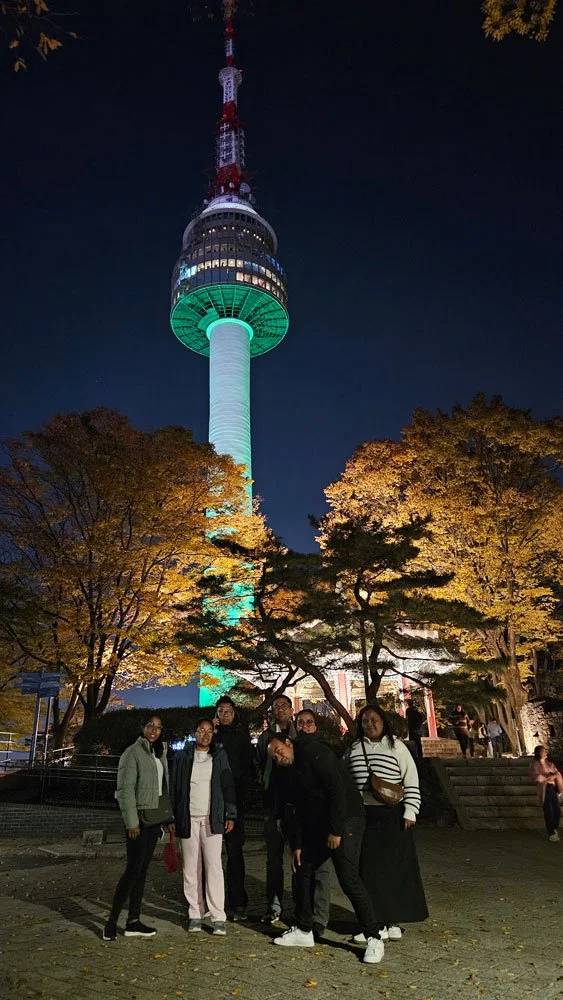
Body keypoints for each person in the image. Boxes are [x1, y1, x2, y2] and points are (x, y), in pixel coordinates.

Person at [268, 733, 385, 965]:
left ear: (288, 743)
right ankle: (303, 929)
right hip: (316, 822)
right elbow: (295, 810)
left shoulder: (315, 753)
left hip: (346, 817)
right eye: (274, 756)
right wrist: (298, 845)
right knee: (302, 869)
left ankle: (374, 936)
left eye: (279, 750)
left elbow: (337, 790)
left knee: (347, 876)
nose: (278, 757)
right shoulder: (285, 773)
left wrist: (336, 830)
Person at [346, 704, 428, 944]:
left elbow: (410, 778)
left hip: (392, 813)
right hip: (363, 815)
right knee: (369, 870)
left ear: (383, 722)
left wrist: (411, 810)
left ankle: (393, 920)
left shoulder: (396, 746)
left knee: (394, 869)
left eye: (374, 720)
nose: (369, 725)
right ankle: (376, 921)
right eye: (364, 721)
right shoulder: (353, 748)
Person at [104, 715, 172, 941]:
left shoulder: (158, 752)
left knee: (142, 871)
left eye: (158, 727)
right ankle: (111, 921)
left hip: (153, 819)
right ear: (142, 728)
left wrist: (166, 817)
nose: (154, 730)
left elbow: (162, 787)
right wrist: (131, 821)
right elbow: (125, 790)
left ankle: (133, 920)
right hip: (139, 820)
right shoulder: (132, 753)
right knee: (132, 870)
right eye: (150, 726)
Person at [171, 718, 237, 935]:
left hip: (212, 818)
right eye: (201, 731)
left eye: (209, 731)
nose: (205, 735)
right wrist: (173, 816)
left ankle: (218, 916)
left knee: (214, 867)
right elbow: (175, 787)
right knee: (190, 869)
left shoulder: (219, 756)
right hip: (188, 817)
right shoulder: (182, 757)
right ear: (195, 733)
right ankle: (195, 913)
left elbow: (228, 785)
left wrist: (231, 813)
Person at [255, 694, 297, 924]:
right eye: (276, 706)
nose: (280, 709)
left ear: (291, 709)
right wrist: (265, 783)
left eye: (284, 706)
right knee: (273, 859)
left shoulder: (298, 734)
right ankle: (273, 905)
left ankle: (301, 904)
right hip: (272, 804)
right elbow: (259, 764)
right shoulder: (265, 737)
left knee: (299, 856)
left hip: (296, 805)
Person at [213, 696, 253, 921]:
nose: (225, 714)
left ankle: (238, 901)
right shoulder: (212, 737)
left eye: (229, 710)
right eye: (221, 711)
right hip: (212, 802)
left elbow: (247, 768)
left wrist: (239, 804)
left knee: (235, 854)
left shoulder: (241, 737)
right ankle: (213, 900)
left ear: (234, 713)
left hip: (235, 802)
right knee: (210, 855)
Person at [293, 709, 332, 938]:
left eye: (309, 722)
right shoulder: (293, 750)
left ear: (315, 726)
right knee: (301, 868)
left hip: (321, 817)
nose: (306, 726)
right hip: (302, 817)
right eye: (301, 722)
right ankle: (303, 913)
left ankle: (320, 918)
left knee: (322, 871)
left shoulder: (324, 751)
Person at [530, 745, 562, 842]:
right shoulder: (534, 764)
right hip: (544, 789)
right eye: (544, 751)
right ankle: (551, 832)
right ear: (539, 753)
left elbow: (556, 772)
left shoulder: (549, 763)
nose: (546, 752)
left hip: (552, 788)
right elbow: (536, 776)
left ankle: (554, 827)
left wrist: (553, 776)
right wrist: (547, 778)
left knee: (557, 810)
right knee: (548, 810)